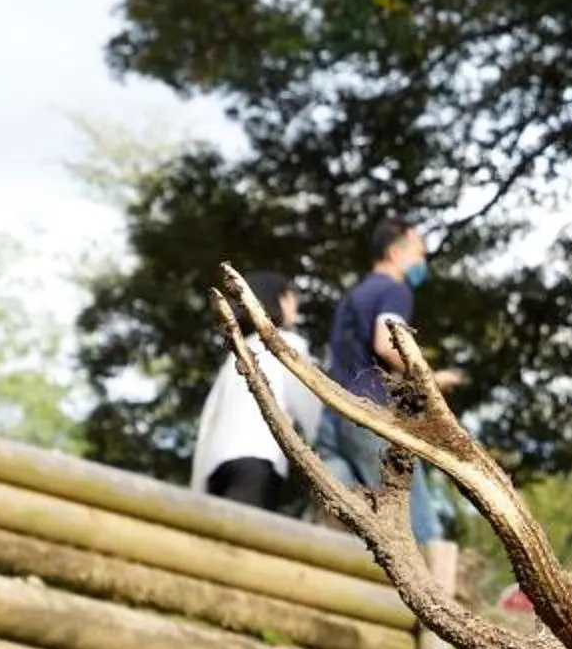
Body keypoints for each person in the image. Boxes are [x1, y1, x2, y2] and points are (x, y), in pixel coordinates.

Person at [324, 217, 465, 541]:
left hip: (332, 415)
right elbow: (386, 343)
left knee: (343, 520)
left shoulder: (354, 295)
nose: (422, 263)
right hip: (370, 415)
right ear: (393, 252)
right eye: (419, 254)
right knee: (418, 528)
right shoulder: (394, 289)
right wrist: (428, 379)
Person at [190, 271, 324, 513]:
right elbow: (309, 403)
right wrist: (323, 448)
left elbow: (209, 420)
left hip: (215, 466)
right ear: (279, 300)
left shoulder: (236, 354)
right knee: (242, 543)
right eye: (291, 296)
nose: (296, 304)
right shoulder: (287, 344)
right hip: (256, 460)